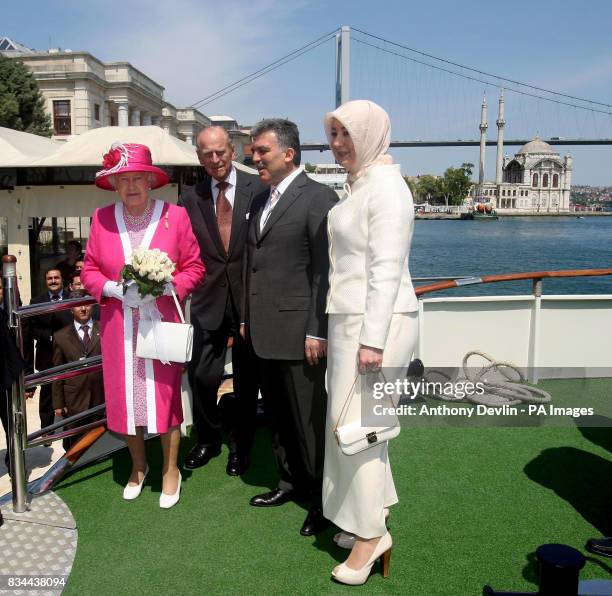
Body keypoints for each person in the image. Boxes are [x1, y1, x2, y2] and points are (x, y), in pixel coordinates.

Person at [321, 100, 419, 585]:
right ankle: (369, 514)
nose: (337, 144)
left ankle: (371, 537)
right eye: (334, 134)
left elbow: (386, 270)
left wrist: (373, 342)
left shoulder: (388, 190)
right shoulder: (363, 185)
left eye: (346, 134)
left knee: (361, 430)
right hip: (351, 324)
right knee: (353, 428)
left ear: (370, 134)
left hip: (376, 328)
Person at [81, 142, 205, 508]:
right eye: (124, 180)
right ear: (114, 185)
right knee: (125, 401)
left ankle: (170, 470)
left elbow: (195, 268)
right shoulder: (101, 219)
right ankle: (138, 467)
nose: (132, 186)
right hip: (120, 326)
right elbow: (88, 269)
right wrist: (110, 289)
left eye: (138, 178)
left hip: (160, 325)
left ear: (151, 182)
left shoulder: (176, 217)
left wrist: (169, 286)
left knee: (165, 400)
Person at [242, 118, 337, 536]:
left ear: (289, 153)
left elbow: (325, 271)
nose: (254, 157)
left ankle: (322, 500)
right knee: (279, 419)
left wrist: (318, 330)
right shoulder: (261, 200)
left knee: (309, 423)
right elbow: (252, 264)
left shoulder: (318, 197)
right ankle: (290, 481)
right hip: (263, 333)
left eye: (261, 151)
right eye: (254, 151)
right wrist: (246, 316)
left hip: (302, 337)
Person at [178, 126, 264, 475]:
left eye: (220, 152)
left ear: (233, 150)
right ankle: (208, 439)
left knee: (247, 380)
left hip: (248, 299)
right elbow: (182, 248)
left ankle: (240, 446)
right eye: (207, 154)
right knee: (200, 376)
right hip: (207, 299)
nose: (215, 160)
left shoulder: (259, 189)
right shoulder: (189, 197)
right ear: (199, 158)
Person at [52, 290, 104, 451]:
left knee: (99, 437)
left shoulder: (104, 328)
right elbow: (57, 371)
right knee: (73, 442)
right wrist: (58, 403)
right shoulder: (60, 336)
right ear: (71, 309)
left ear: (93, 306)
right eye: (78, 306)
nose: (83, 309)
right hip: (73, 399)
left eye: (87, 305)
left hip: (100, 396)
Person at [29, 268, 73, 431]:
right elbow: (31, 329)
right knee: (47, 392)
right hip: (46, 353)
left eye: (56, 278)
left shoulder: (72, 298)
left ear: (62, 280)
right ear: (45, 281)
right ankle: (47, 430)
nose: (53, 281)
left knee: (70, 389)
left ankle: (70, 427)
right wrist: (48, 337)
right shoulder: (36, 302)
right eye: (49, 278)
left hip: (70, 353)